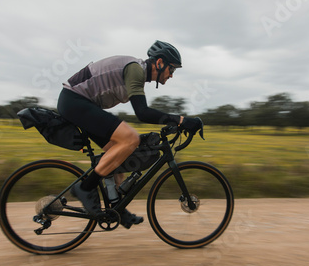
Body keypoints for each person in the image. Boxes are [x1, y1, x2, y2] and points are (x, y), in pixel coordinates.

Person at [57, 40, 202, 229]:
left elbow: (143, 111)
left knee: (118, 154)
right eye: (172, 69)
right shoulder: (136, 70)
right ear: (159, 63)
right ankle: (85, 188)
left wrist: (176, 120)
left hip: (81, 103)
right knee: (130, 139)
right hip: (74, 100)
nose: (172, 75)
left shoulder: (137, 72)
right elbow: (142, 113)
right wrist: (182, 120)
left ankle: (117, 208)